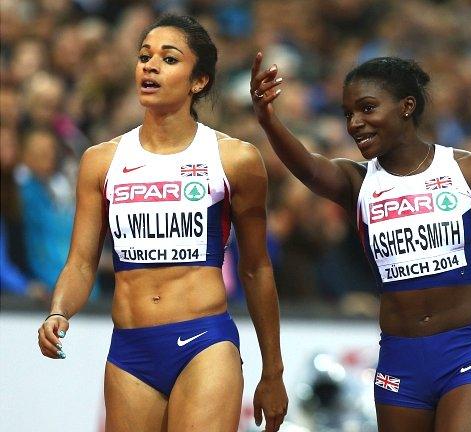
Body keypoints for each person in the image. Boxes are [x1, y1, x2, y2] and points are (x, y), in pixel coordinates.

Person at [251, 55, 471, 431]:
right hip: (399, 361)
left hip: (469, 350)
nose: (355, 123)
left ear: (407, 106)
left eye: (367, 108)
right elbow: (307, 166)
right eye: (348, 114)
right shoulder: (357, 183)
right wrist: (268, 120)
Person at [36, 15, 288, 432]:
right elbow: (81, 263)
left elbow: (257, 268)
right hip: (130, 350)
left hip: (205, 343)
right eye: (143, 56)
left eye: (168, 59)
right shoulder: (101, 161)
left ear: (199, 81)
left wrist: (273, 372)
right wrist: (58, 311)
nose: (149, 65)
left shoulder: (234, 159)